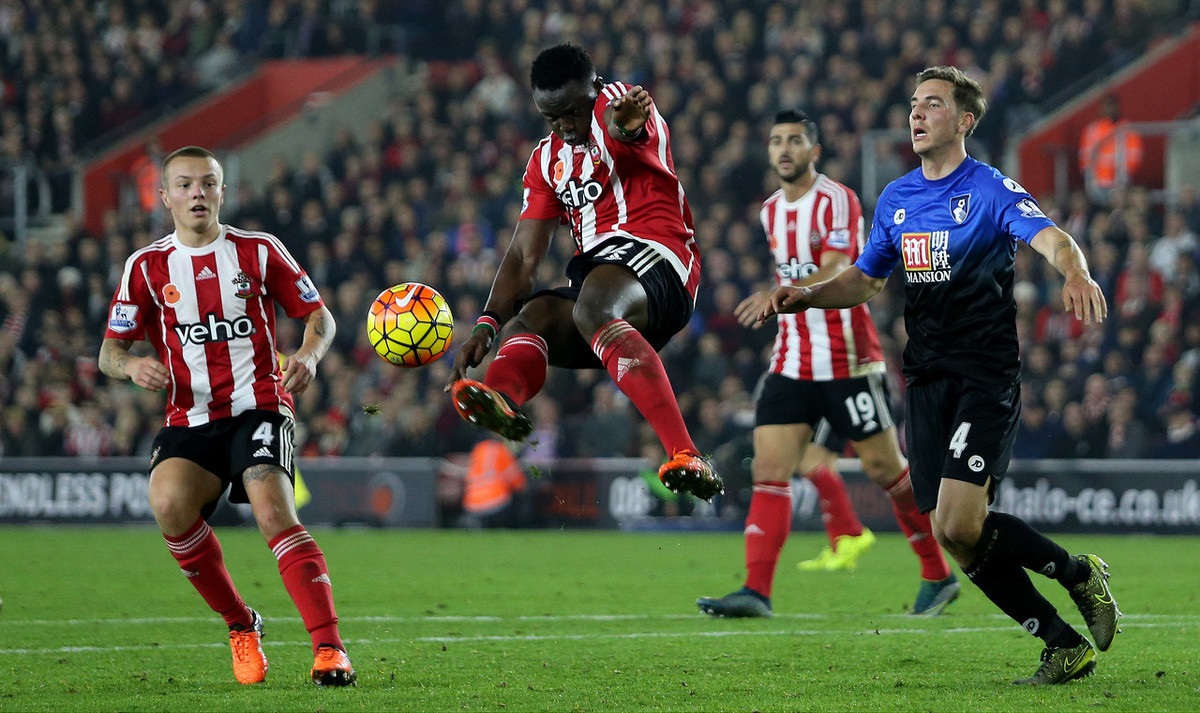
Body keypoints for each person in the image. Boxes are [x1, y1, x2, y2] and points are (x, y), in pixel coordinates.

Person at [761, 67, 1121, 686]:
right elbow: (868, 279)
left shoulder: (989, 190)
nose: (917, 114)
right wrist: (811, 293)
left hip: (984, 373)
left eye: (933, 104)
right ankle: (1062, 641)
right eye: (914, 104)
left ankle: (1078, 576)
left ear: (965, 120)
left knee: (957, 521)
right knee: (954, 535)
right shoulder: (898, 198)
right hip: (925, 380)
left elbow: (1054, 238)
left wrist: (1076, 272)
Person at [97, 146, 356, 687]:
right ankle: (242, 625)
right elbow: (109, 353)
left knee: (271, 509)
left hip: (259, 406)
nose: (198, 193)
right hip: (189, 418)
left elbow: (319, 317)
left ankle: (329, 650)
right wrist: (132, 366)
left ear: (222, 191)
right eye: (185, 185)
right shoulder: (145, 267)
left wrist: (307, 356)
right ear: (165, 197)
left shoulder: (259, 251)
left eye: (207, 183)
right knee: (168, 505)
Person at [696, 110, 957, 621]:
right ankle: (756, 590)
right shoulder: (770, 210)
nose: (785, 149)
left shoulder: (838, 199)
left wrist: (794, 290)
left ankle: (937, 573)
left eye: (795, 140)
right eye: (776, 142)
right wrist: (783, 297)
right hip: (792, 359)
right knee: (770, 468)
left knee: (887, 471)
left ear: (814, 151)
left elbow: (843, 265)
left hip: (847, 360)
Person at [444, 43, 722, 501]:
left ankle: (686, 452)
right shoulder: (545, 161)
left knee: (592, 301)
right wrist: (486, 324)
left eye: (572, 112)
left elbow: (625, 126)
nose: (564, 125)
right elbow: (523, 258)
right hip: (606, 288)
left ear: (592, 90)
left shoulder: (619, 101)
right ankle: (500, 399)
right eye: (551, 117)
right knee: (531, 320)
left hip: (662, 259)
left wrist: (626, 125)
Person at [1078, 94, 1143, 203]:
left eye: (1111, 105)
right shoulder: (1092, 129)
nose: (1109, 109)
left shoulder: (1127, 128)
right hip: (1096, 184)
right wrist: (1089, 176)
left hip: (1120, 183)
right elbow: (1084, 156)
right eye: (1106, 106)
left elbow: (1135, 155)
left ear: (1117, 107)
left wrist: (1126, 174)